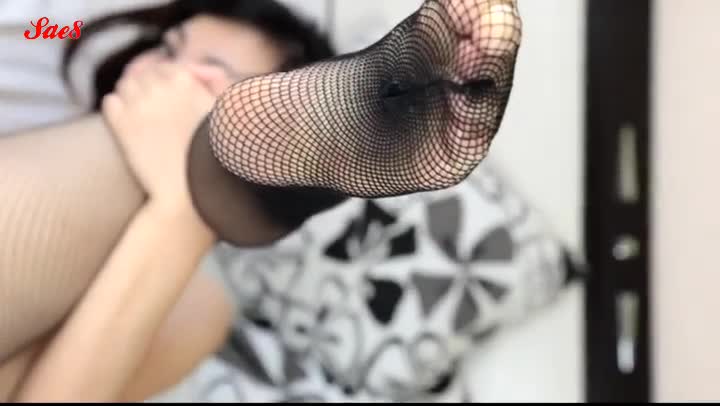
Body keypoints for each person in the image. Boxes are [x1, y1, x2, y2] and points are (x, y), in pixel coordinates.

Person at [0, 0, 335, 401]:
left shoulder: (199, 303)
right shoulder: (52, 119)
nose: (159, 76)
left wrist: (184, 210)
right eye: (168, 49)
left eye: (204, 82)